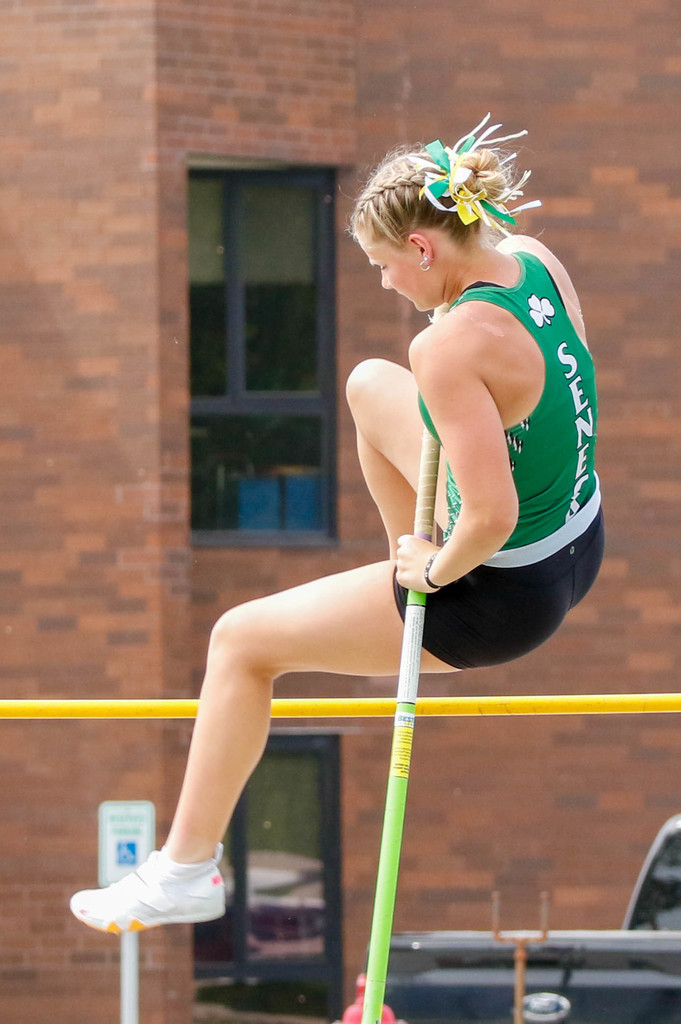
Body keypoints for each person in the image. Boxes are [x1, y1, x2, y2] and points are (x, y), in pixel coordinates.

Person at [70, 114, 604, 933]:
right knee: (364, 382)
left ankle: (184, 870)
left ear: (423, 249)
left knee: (239, 643)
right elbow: (541, 402)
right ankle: (393, 572)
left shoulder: (451, 346)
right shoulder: (532, 262)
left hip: (499, 591)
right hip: (578, 536)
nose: (387, 285)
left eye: (385, 266)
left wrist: (432, 570)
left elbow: (491, 515)